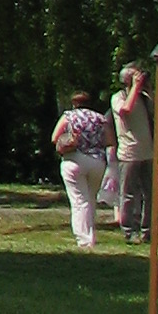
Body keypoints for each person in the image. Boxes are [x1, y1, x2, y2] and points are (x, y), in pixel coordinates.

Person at [53, 92, 110, 250]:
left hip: (74, 159)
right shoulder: (100, 118)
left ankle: (84, 239)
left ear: (74, 103)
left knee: (79, 201)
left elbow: (54, 137)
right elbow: (110, 140)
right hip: (97, 161)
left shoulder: (69, 116)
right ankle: (91, 234)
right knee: (91, 199)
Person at [110, 62, 153, 239]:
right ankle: (129, 230)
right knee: (128, 194)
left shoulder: (143, 97)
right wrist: (135, 87)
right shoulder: (118, 97)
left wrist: (148, 89)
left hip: (147, 152)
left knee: (150, 194)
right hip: (129, 153)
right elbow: (125, 110)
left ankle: (147, 230)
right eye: (136, 76)